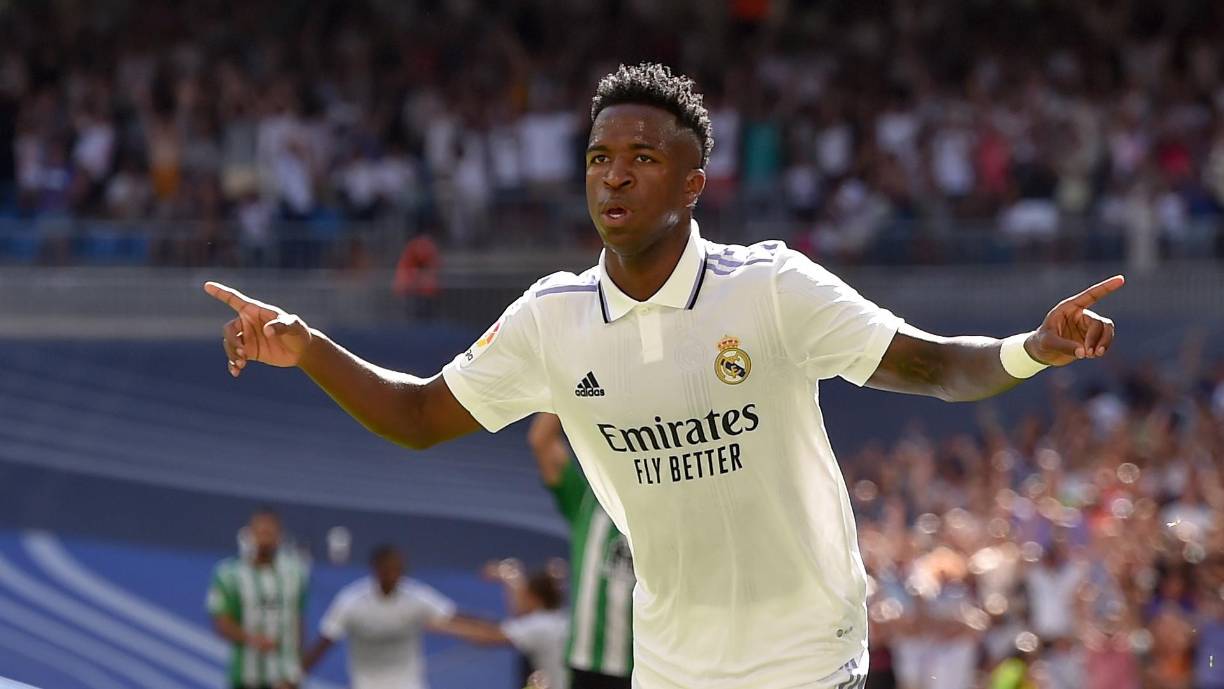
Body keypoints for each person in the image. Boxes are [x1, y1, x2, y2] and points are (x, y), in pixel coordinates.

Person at [204, 63, 1122, 688]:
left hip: (804, 652)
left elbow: (930, 365)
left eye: (644, 159)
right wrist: (308, 345)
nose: (614, 177)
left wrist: (1030, 348)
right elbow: (415, 416)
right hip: (673, 660)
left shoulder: (769, 288)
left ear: (693, 185)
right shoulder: (551, 318)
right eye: (600, 158)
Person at [528, 413, 634, 689]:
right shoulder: (585, 498)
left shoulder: (669, 503)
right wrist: (565, 374)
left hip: (649, 662)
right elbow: (541, 440)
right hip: (589, 663)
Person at [301, 544, 458, 689]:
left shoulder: (416, 596)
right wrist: (296, 675)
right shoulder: (351, 600)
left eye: (398, 570)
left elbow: (453, 616)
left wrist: (480, 630)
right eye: (388, 570)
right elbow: (325, 641)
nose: (393, 575)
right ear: (376, 569)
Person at [207, 508, 309, 689]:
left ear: (279, 536)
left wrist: (297, 668)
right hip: (247, 675)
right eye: (260, 532)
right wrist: (251, 639)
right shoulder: (229, 573)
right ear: (249, 534)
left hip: (285, 675)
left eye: (270, 533)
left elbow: (298, 621)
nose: (265, 539)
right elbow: (221, 621)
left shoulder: (295, 573)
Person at [443, 560, 569, 689]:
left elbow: (489, 636)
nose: (518, 599)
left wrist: (441, 623)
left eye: (524, 595)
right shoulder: (561, 619)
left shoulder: (540, 625)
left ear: (533, 597)